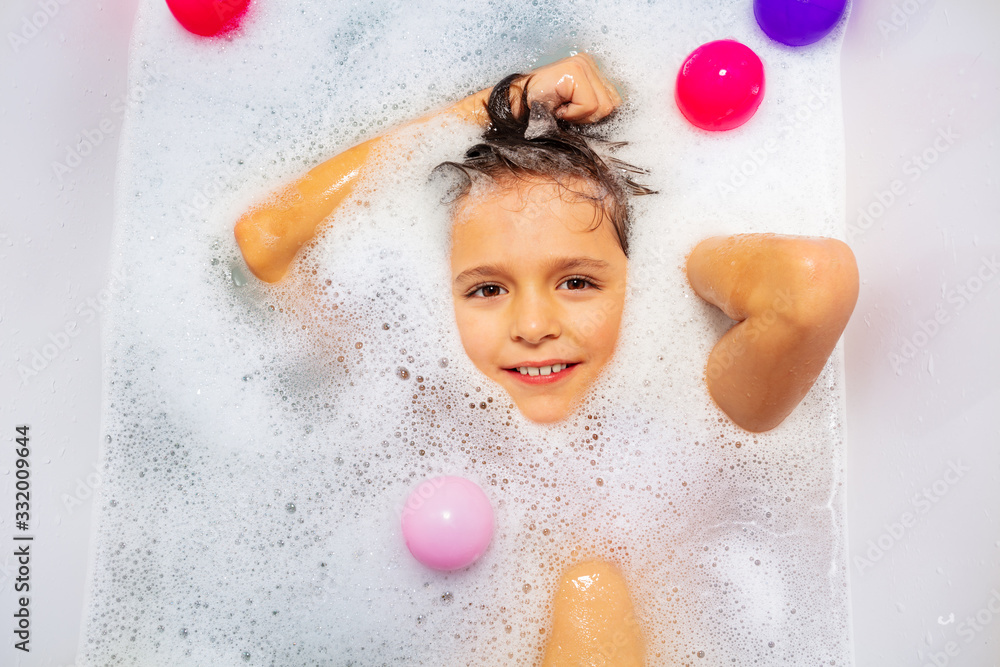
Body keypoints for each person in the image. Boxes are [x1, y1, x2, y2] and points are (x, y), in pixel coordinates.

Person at [233, 53, 858, 662]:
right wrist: (502, 102)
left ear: (635, 286)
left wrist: (679, 261)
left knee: (593, 596)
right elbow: (266, 239)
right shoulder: (420, 392)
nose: (533, 327)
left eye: (578, 282)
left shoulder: (703, 402)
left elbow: (811, 287)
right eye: (487, 289)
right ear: (439, 295)